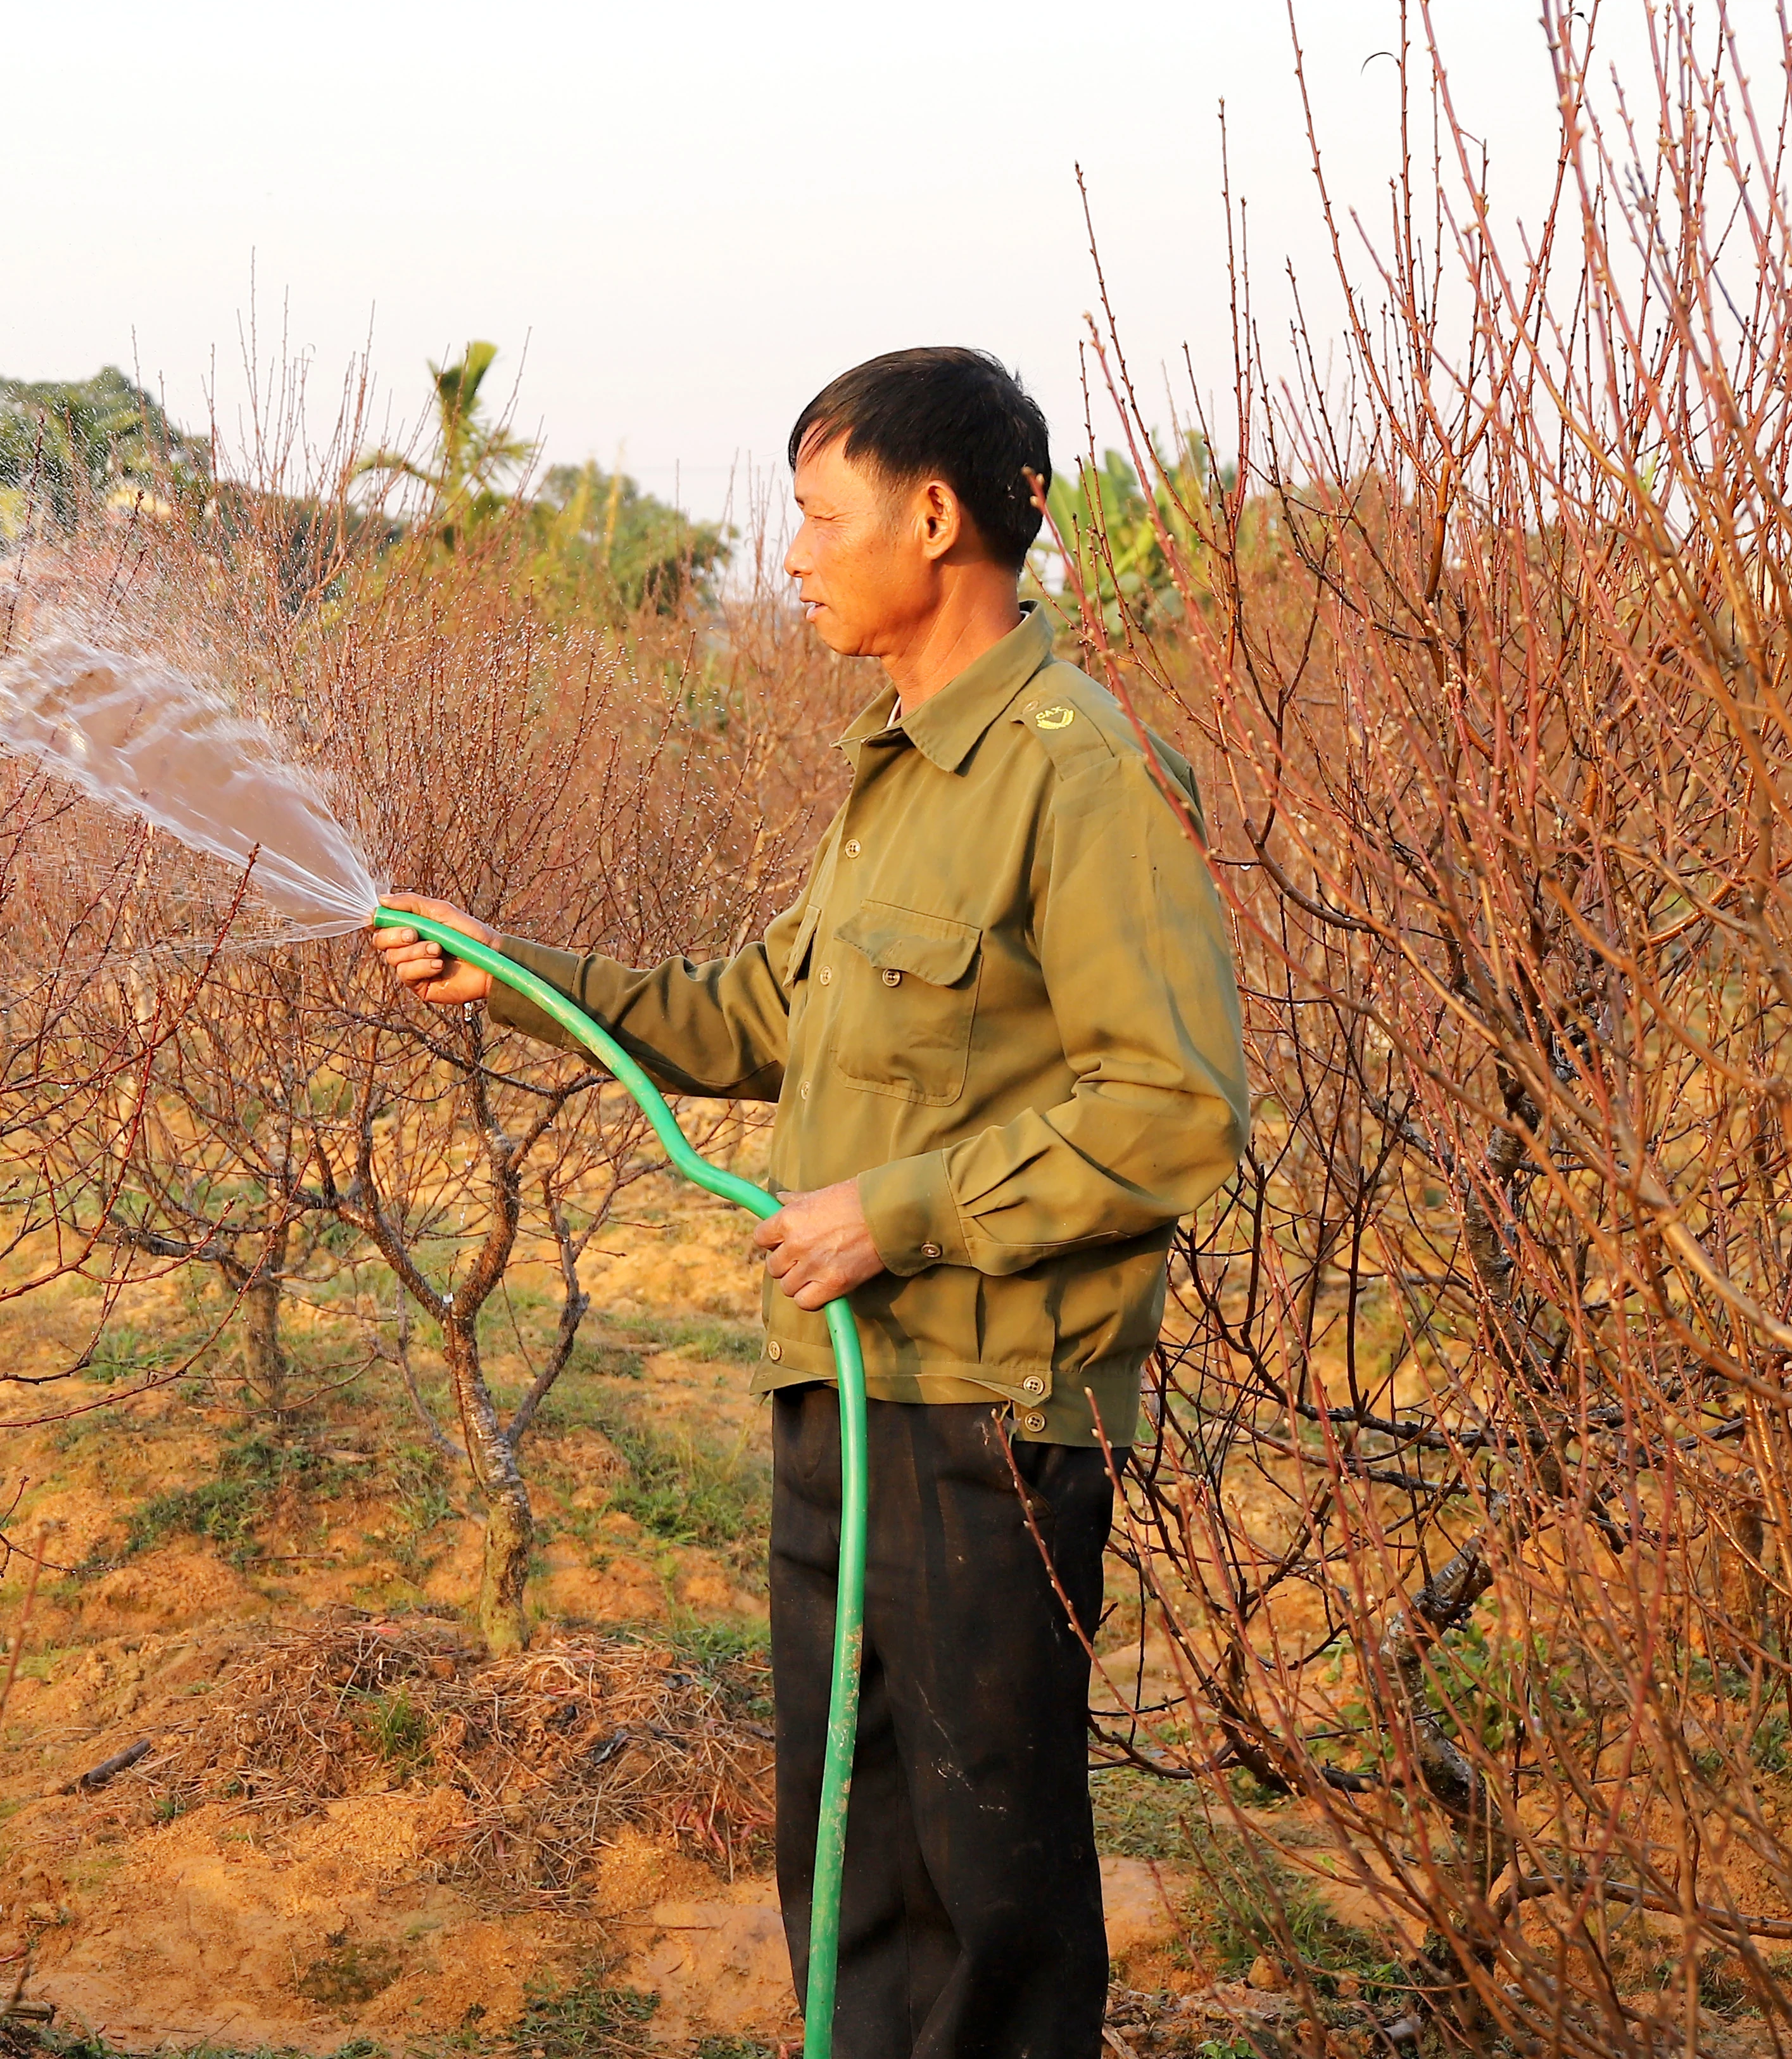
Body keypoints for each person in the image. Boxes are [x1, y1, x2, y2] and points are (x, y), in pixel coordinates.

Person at [368, 346, 1246, 2059]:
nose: (791, 556)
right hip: (842, 1394)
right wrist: (509, 969)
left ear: (933, 518)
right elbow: (747, 1015)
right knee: (846, 1856)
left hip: (989, 1412)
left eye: (816, 516)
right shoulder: (896, 778)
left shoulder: (1079, 772)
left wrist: (894, 1212)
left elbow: (1170, 1108)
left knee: (986, 1890)